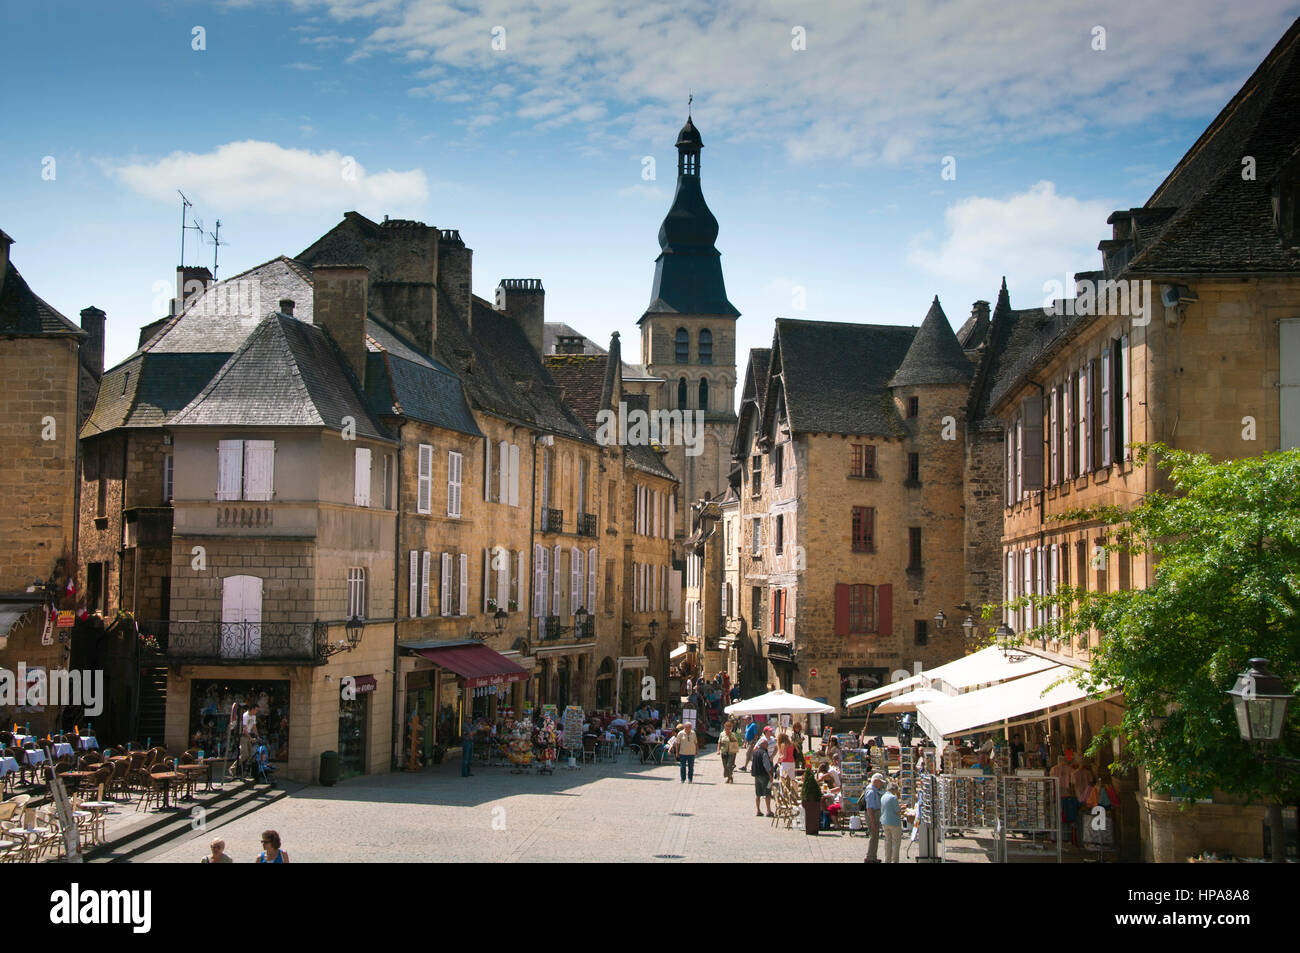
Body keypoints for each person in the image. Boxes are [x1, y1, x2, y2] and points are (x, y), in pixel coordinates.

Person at [862, 773, 886, 863]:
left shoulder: (874, 790)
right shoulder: (871, 792)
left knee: (875, 836)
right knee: (873, 836)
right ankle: (870, 858)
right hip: (873, 814)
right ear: (876, 781)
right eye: (880, 782)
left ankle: (873, 856)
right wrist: (872, 821)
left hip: (875, 814)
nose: (881, 784)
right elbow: (869, 808)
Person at [751, 732, 775, 817]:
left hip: (757, 775)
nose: (767, 746)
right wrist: (770, 775)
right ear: (763, 745)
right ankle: (768, 810)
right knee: (767, 793)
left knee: (758, 794)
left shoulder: (756, 752)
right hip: (764, 775)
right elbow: (766, 765)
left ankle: (758, 810)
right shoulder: (764, 753)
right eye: (766, 744)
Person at [881, 781, 903, 863]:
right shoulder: (893, 798)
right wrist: (902, 809)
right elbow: (897, 811)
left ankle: (887, 860)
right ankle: (895, 861)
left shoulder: (883, 796)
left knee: (887, 843)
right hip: (894, 822)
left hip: (885, 821)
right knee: (896, 843)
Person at [460, 712, 475, 778]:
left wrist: (471, 734)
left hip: (471, 741)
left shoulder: (471, 725)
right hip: (466, 742)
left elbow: (475, 731)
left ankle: (468, 772)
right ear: (465, 719)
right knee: (465, 758)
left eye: (470, 718)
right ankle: (464, 773)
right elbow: (469, 733)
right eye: (468, 718)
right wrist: (471, 734)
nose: (469, 719)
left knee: (469, 758)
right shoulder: (464, 725)